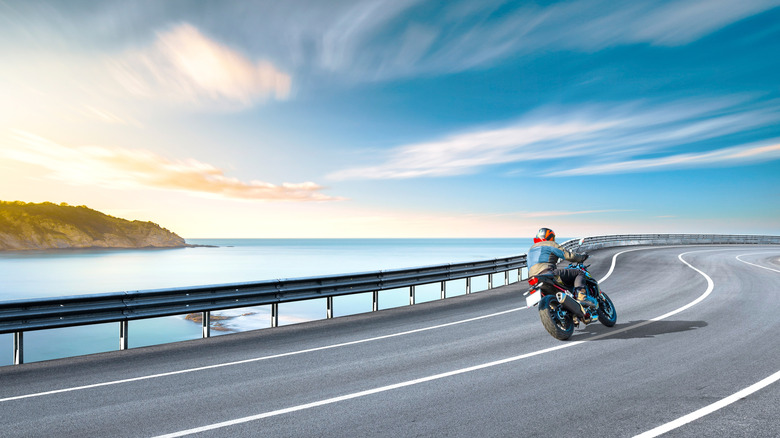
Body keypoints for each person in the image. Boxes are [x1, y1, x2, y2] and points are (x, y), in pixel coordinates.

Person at [527, 227, 595, 308]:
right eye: (552, 237)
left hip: (533, 280)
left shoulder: (531, 249)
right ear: (549, 237)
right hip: (547, 272)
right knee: (579, 273)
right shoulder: (550, 244)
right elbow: (569, 256)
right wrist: (582, 257)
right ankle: (581, 297)